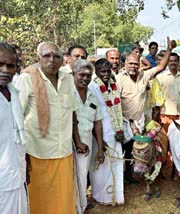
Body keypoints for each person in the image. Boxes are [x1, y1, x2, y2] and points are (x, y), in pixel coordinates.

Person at [16, 42, 88, 214]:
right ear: (38, 58)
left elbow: (72, 114)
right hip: (36, 152)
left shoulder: (67, 79)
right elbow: (17, 119)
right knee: (39, 200)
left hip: (64, 152)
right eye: (47, 56)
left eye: (56, 56)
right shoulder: (26, 79)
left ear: (62, 59)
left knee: (63, 200)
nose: (52, 60)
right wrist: (20, 153)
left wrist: (77, 141)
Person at [116, 37, 176, 182]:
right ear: (124, 64)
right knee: (123, 150)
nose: (133, 66)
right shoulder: (118, 79)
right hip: (123, 122)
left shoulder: (144, 75)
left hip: (140, 122)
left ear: (139, 65)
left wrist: (169, 50)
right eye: (130, 63)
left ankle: (134, 176)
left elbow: (161, 67)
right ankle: (122, 179)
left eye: (135, 64)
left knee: (137, 150)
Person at [89, 58, 130, 204]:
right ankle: (101, 197)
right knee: (102, 166)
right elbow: (93, 116)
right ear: (96, 72)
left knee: (117, 163)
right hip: (100, 134)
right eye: (102, 71)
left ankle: (117, 197)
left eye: (108, 71)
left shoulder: (114, 86)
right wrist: (99, 141)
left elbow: (117, 108)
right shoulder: (92, 87)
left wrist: (120, 129)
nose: (106, 74)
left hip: (115, 132)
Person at [72, 59, 105, 211]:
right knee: (71, 177)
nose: (85, 78)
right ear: (74, 74)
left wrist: (100, 148)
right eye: (82, 74)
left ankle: (81, 206)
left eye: (88, 75)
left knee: (82, 175)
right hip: (69, 142)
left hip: (87, 142)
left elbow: (98, 122)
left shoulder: (93, 95)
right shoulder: (67, 93)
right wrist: (77, 141)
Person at [0, 42, 28, 214]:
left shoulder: (13, 92)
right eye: (0, 64)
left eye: (11, 65)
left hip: (16, 172)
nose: (5, 70)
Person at [157, 53, 180, 132]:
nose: (173, 63)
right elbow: (157, 97)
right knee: (165, 136)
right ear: (167, 62)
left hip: (179, 113)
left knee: (178, 137)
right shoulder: (160, 77)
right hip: (164, 113)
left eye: (175, 61)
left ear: (178, 62)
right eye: (170, 61)